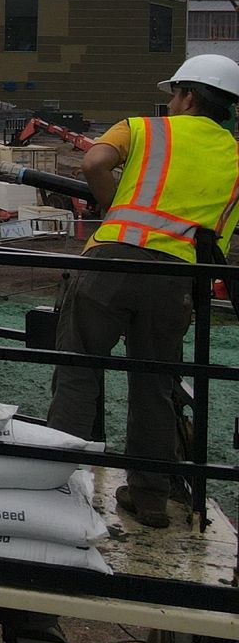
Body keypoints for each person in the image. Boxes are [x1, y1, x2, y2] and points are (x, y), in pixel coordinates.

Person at [45, 55, 239, 528]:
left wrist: (111, 204)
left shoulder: (143, 129)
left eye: (174, 94)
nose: (169, 103)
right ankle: (150, 497)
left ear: (188, 96)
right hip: (175, 281)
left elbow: (94, 161)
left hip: (111, 262)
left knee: (78, 370)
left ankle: (51, 486)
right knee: (154, 386)